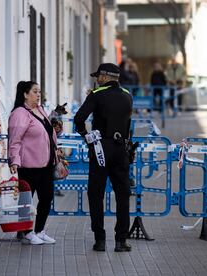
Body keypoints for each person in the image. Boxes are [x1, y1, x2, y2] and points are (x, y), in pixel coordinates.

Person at [74, 63, 133, 252]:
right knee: (123, 195)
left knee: (96, 194)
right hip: (121, 148)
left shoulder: (97, 94)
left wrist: (87, 137)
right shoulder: (127, 95)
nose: (96, 79)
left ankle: (100, 240)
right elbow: (128, 123)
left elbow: (78, 119)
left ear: (105, 77)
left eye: (98, 76)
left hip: (100, 148)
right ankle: (121, 241)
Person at [8, 81, 57, 245]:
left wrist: (56, 151)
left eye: (39, 92)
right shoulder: (20, 113)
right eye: (35, 91)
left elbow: (48, 134)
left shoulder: (40, 110)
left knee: (47, 197)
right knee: (26, 200)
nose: (38, 94)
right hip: (29, 165)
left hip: (46, 164)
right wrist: (14, 160)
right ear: (25, 94)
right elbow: (14, 140)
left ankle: (40, 230)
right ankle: (27, 233)